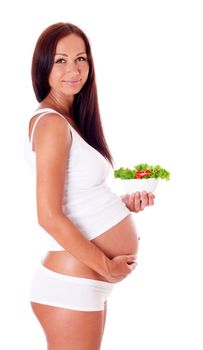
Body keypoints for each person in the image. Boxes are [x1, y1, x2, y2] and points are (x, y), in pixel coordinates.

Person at [26, 22, 155, 350]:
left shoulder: (70, 121)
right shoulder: (51, 124)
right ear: (43, 67)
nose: (74, 69)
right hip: (74, 281)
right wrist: (106, 266)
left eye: (81, 58)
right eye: (61, 60)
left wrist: (120, 205)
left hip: (85, 280)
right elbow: (49, 216)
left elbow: (76, 196)